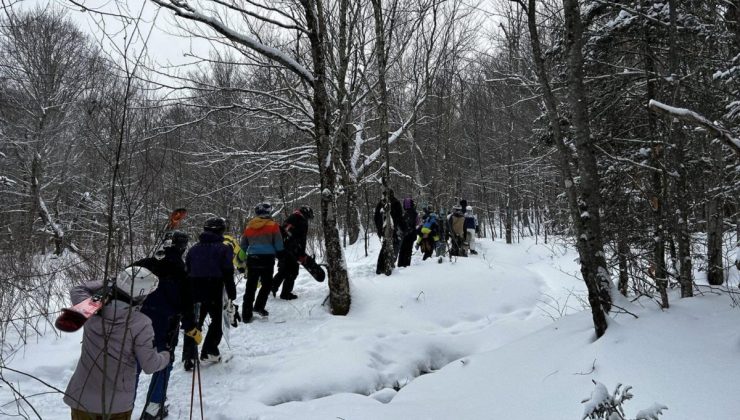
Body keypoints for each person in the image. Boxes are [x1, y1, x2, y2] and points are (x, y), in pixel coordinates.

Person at [63, 267, 170, 420]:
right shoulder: (141, 323)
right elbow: (150, 365)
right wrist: (165, 355)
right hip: (117, 404)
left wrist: (109, 283)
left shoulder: (89, 309)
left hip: (81, 398)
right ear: (140, 297)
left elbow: (79, 289)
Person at [134, 231, 191, 419]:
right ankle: (153, 410)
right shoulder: (181, 270)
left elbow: (122, 286)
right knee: (163, 365)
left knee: (132, 364)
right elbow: (186, 303)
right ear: (181, 247)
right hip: (165, 327)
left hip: (137, 325)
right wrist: (191, 326)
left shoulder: (144, 263)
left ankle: (125, 405)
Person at [183, 217, 237, 367]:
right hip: (214, 287)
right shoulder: (224, 248)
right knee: (218, 319)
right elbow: (227, 272)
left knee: (195, 320)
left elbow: (187, 270)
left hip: (194, 287)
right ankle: (209, 351)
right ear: (220, 231)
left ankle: (189, 356)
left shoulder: (193, 249)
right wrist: (232, 294)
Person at [240, 202, 284, 322]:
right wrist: (281, 256)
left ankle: (246, 314)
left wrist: (240, 259)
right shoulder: (273, 225)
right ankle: (259, 307)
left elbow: (243, 245)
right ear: (268, 212)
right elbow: (279, 244)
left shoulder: (249, 226)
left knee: (251, 286)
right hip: (267, 259)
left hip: (252, 259)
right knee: (267, 285)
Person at [272, 205, 314, 300]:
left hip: (282, 249)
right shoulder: (302, 221)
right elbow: (302, 239)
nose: (308, 219)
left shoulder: (291, 217)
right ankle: (286, 294)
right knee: (293, 272)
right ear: (306, 214)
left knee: (283, 271)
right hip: (293, 250)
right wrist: (302, 254)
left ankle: (272, 287)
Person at [374, 189, 405, 274]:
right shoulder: (393, 203)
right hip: (392, 231)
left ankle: (381, 268)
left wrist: (379, 230)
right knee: (392, 248)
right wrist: (404, 228)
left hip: (386, 231)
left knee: (385, 248)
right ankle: (386, 267)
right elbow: (399, 218)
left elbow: (376, 218)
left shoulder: (381, 203)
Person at [397, 198, 419, 267]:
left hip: (408, 235)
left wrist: (405, 231)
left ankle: (404, 265)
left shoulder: (410, 213)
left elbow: (410, 224)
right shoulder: (412, 212)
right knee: (406, 250)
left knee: (405, 250)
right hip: (409, 234)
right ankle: (404, 264)